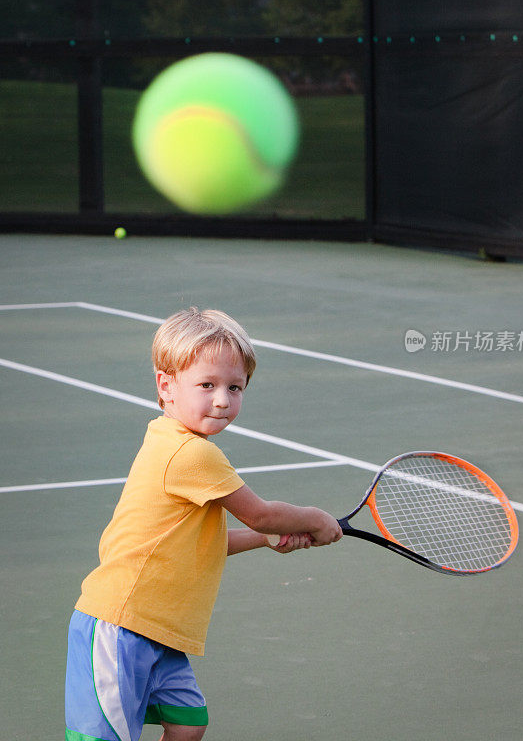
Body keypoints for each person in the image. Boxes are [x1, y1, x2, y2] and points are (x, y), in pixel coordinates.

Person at [65, 307, 342, 741]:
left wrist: (263, 540)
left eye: (235, 387)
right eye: (207, 385)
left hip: (159, 631)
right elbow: (262, 513)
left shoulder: (168, 437)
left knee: (189, 725)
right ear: (166, 386)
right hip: (120, 626)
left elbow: (197, 541)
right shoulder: (193, 454)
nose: (222, 399)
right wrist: (317, 519)